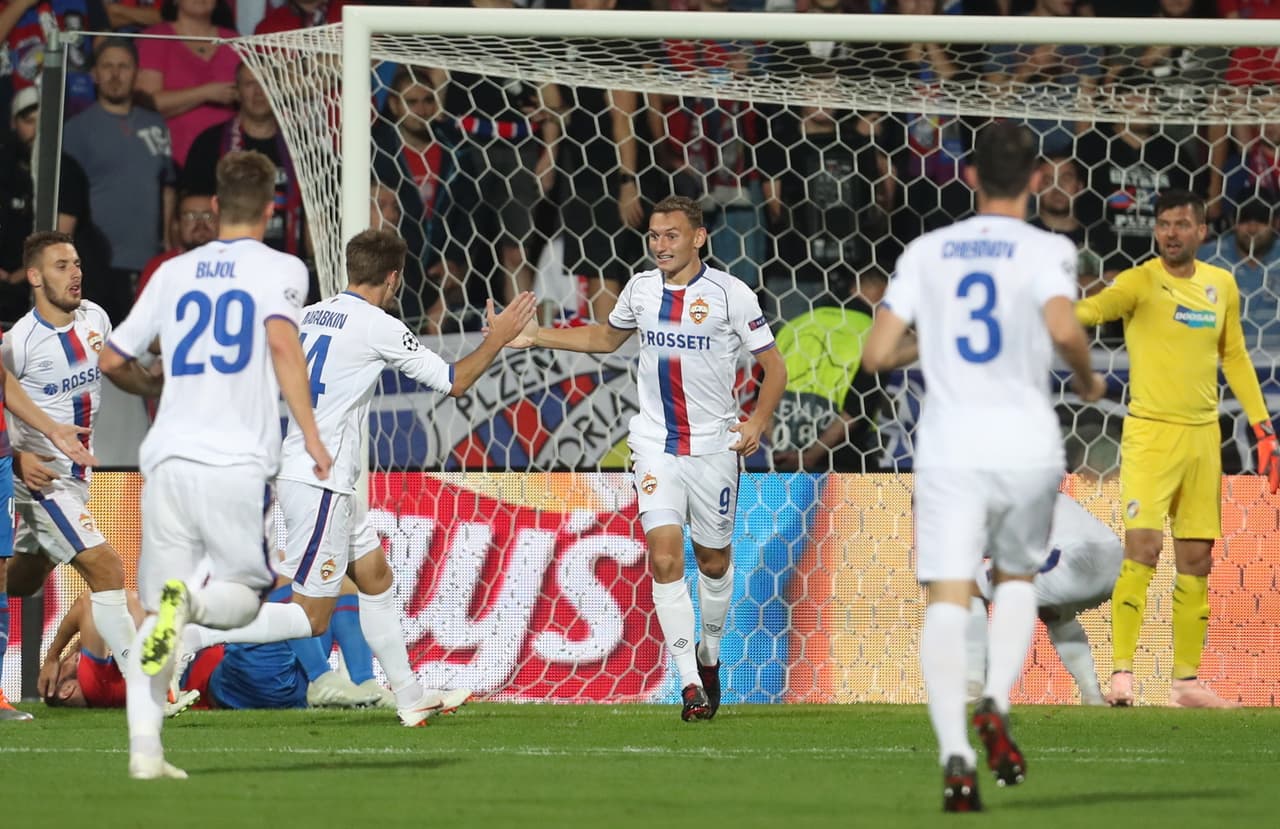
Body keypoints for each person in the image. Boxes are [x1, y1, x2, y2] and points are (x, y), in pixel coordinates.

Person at [171, 228, 534, 726]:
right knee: (309, 615)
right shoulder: (376, 324)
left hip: (312, 473)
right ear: (393, 278)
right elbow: (456, 381)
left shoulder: (310, 314)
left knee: (375, 577)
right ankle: (194, 630)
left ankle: (409, 696)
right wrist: (498, 337)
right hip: (321, 482)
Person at [861, 122, 1104, 812]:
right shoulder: (1049, 247)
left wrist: (928, 343)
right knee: (1019, 576)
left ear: (968, 177)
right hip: (1025, 442)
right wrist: (1086, 378)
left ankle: (957, 758)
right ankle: (997, 697)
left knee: (948, 593)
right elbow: (1062, 328)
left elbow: (877, 353)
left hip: (950, 447)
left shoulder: (927, 251)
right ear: (1034, 179)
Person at [507, 195, 788, 723]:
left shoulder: (732, 295)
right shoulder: (639, 289)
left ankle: (709, 652)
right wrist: (537, 335)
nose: (660, 245)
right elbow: (607, 339)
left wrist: (755, 423)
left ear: (698, 238)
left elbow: (775, 368)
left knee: (713, 562)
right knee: (663, 558)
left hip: (714, 448)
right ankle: (688, 684)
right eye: (655, 236)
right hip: (655, 444)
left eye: (672, 236)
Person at [99, 150, 332, 779]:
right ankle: (191, 608)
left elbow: (113, 357)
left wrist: (156, 389)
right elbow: (283, 343)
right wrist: (310, 434)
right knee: (244, 598)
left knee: (150, 613)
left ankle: (146, 755)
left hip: (167, 458)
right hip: (231, 462)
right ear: (269, 208)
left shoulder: (172, 273)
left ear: (214, 206)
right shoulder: (283, 267)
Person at [1074, 189, 1275, 709]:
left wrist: (1264, 430)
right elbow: (1097, 308)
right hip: (1150, 435)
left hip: (1203, 438)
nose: (1171, 233)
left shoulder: (1221, 285)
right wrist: (1059, 313)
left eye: (1182, 224)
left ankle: (1185, 682)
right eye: (1164, 224)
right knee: (1142, 548)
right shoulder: (1140, 281)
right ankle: (1121, 673)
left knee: (1197, 558)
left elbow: (1235, 359)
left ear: (1202, 232)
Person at [0, 234, 103, 722]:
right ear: (36, 276)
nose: (75, 273)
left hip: (72, 471)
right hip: (39, 479)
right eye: (61, 265)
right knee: (108, 570)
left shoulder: (96, 320)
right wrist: (20, 457)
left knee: (17, 580)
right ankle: (148, 692)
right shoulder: (19, 342)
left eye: (77, 263)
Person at [966, 493, 1124, 707]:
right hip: (1115, 565)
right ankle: (1092, 696)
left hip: (1070, 562)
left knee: (966, 587)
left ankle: (972, 686)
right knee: (1049, 608)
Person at [63, 38, 177, 324]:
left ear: (136, 73)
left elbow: (167, 188)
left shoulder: (156, 124)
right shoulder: (75, 130)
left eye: (124, 66)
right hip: (97, 263)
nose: (115, 74)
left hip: (148, 262)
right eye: (108, 66)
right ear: (94, 74)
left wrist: (167, 243)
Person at [771, 268, 889, 473]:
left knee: (771, 505)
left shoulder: (794, 325)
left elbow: (761, 400)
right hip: (849, 465)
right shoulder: (875, 335)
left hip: (785, 465)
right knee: (888, 503)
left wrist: (783, 447)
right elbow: (857, 407)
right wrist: (810, 457)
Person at [39, 589, 199, 715]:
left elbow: (103, 626)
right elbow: (87, 601)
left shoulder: (106, 684)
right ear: (67, 691)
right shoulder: (92, 681)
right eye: (61, 667)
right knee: (115, 600)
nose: (66, 659)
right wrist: (53, 657)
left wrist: (75, 648)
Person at [1195, 198, 1280, 350]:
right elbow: (1183, 313)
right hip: (1222, 364)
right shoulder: (1207, 257)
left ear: (1274, 223)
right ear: (1233, 222)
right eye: (1245, 220)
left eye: (1261, 220)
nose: (1252, 228)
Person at [137, 190, 219, 298]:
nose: (200, 223)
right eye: (190, 216)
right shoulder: (160, 267)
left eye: (208, 215)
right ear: (177, 225)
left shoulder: (237, 263)